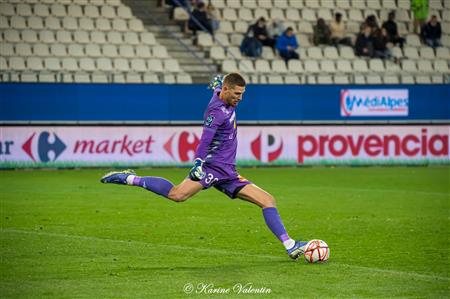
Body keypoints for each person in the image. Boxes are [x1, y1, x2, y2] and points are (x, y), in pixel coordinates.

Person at [100, 73, 309, 260]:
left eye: (242, 94)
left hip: (229, 172)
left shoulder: (222, 94)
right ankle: (129, 178)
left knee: (267, 200)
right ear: (226, 91)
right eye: (236, 93)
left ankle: (290, 246)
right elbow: (205, 140)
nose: (240, 98)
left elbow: (218, 86)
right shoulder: (216, 112)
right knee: (177, 195)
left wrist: (217, 82)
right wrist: (198, 163)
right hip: (212, 168)